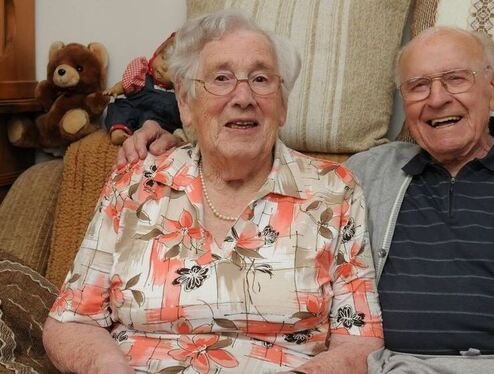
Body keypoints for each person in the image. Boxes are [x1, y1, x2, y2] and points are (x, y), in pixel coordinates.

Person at [120, 26, 494, 373]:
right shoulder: (362, 175)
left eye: (455, 79)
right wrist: (170, 134)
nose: (438, 98)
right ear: (405, 104)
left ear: (491, 87)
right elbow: (254, 148)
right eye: (419, 85)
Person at [43, 10, 383, 374]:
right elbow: (71, 321)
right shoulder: (137, 182)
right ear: (187, 106)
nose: (244, 96)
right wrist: (108, 367)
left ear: (282, 106)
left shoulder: (334, 191)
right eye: (221, 78)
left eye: (261, 79)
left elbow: (359, 340)